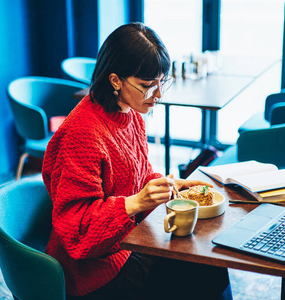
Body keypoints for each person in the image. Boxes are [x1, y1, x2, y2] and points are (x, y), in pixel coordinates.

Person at [42, 22, 233, 300]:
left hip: (127, 245)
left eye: (161, 82)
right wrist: (136, 202)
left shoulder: (129, 114)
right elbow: (77, 231)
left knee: (209, 262)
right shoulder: (81, 134)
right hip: (93, 271)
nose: (158, 95)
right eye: (147, 85)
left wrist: (167, 185)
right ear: (115, 80)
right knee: (201, 273)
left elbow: (137, 176)